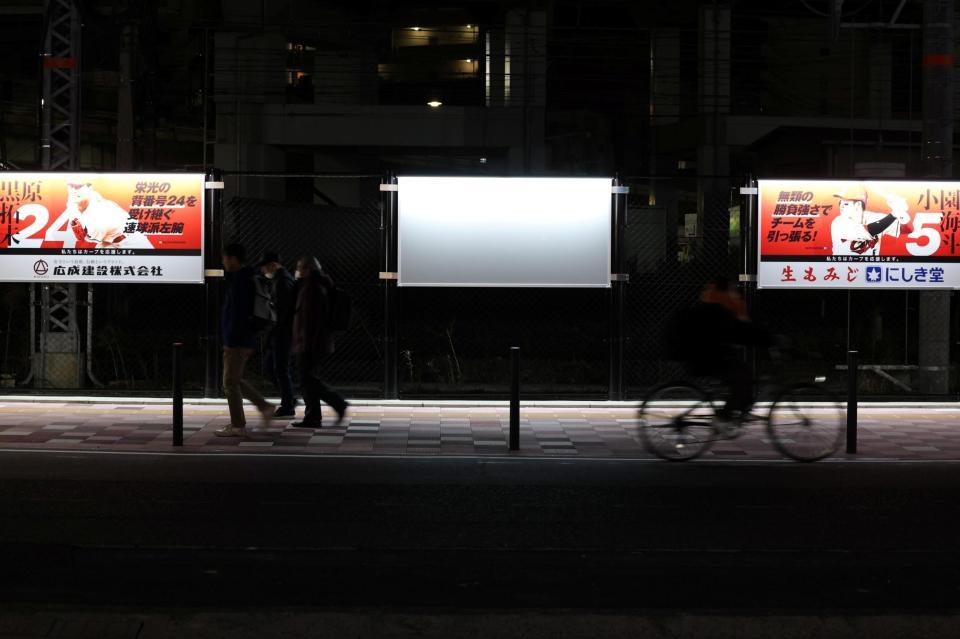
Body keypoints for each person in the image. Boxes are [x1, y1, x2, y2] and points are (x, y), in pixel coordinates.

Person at [684, 276, 768, 428]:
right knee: (742, 378)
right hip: (709, 355)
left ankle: (732, 411)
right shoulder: (721, 304)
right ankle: (724, 417)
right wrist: (769, 340)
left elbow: (738, 329)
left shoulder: (714, 299)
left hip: (709, 351)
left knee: (741, 375)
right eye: (733, 288)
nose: (735, 290)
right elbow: (740, 329)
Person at [215, 243, 274, 437]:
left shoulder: (241, 280)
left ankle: (238, 425)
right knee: (234, 380)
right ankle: (264, 406)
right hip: (243, 338)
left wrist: (229, 340)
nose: (223, 262)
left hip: (237, 339)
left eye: (225, 258)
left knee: (229, 382)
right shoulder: (246, 277)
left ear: (232, 259)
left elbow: (237, 315)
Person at [291, 255, 348, 429]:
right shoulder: (316, 285)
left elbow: (311, 320)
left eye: (300, 267)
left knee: (307, 379)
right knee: (307, 379)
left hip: (311, 343)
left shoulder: (312, 288)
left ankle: (337, 403)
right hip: (313, 342)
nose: (297, 271)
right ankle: (313, 417)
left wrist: (306, 344)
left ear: (308, 269)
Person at [258, 250, 298, 418]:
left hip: (282, 332)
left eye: (265, 267)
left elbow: (282, 312)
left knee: (279, 369)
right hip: (280, 332)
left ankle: (288, 404)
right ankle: (289, 399)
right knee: (273, 368)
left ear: (273, 265)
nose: (263, 271)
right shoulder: (281, 280)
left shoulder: (282, 282)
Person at [830, 184, 910, 257]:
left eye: (845, 203)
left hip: (869, 268)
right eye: (840, 202)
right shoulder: (839, 222)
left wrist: (902, 214)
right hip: (843, 269)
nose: (841, 206)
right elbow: (871, 229)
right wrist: (894, 214)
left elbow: (906, 230)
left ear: (858, 204)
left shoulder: (874, 218)